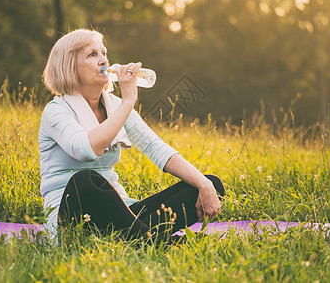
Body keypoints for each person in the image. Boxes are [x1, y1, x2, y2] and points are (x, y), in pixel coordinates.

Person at [39, 29, 224, 242]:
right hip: (74, 216)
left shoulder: (115, 106)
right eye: (92, 55)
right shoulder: (56, 110)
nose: (103, 60)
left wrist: (203, 184)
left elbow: (156, 148)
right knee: (85, 180)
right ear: (70, 66)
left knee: (210, 184)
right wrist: (128, 101)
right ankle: (152, 241)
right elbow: (87, 150)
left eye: (104, 53)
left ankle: (134, 239)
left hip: (121, 213)